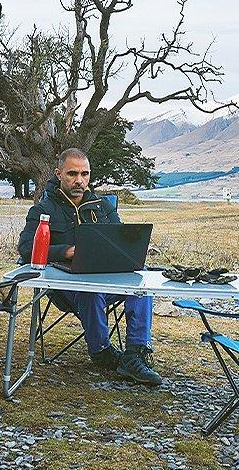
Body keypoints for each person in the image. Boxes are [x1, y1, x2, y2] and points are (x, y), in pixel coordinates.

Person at [17, 148, 162, 386]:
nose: (79, 181)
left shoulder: (102, 206)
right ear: (58, 174)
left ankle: (135, 355)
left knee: (141, 284)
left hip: (107, 278)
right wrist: (66, 251)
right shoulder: (43, 210)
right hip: (66, 286)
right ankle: (101, 352)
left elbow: (121, 240)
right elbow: (25, 248)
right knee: (90, 289)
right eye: (72, 174)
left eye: (85, 174)